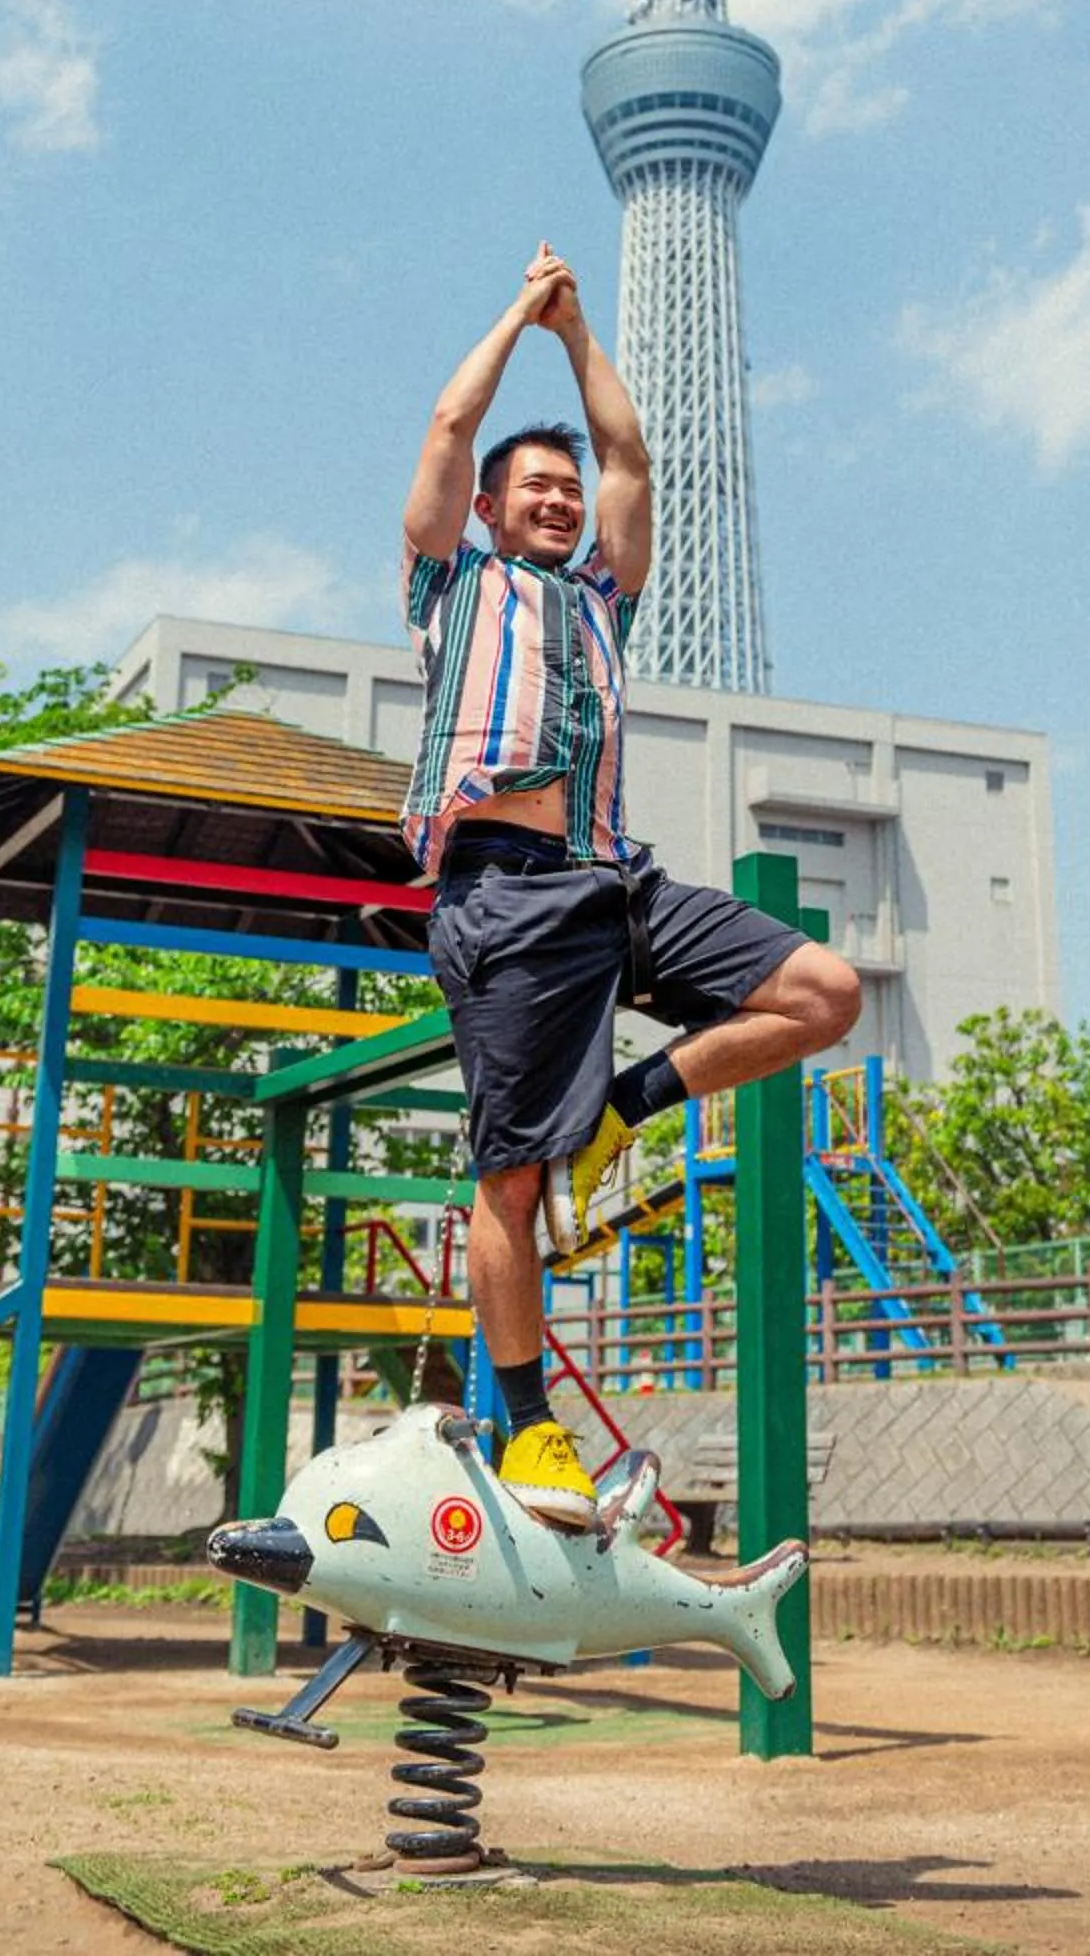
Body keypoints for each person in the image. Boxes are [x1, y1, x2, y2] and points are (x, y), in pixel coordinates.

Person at [401, 241, 861, 1531]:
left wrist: (581, 331)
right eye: (533, 490)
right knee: (507, 1180)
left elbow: (633, 463)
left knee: (824, 995)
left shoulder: (604, 594)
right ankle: (533, 1428)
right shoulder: (452, 585)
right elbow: (449, 422)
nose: (559, 503)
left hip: (618, 880)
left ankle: (621, 1109)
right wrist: (516, 314)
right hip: (505, 896)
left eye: (564, 491)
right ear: (492, 511)